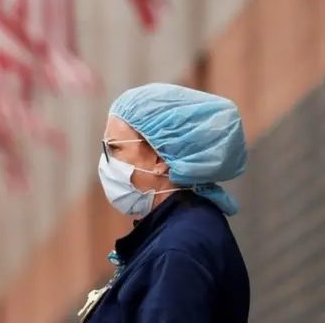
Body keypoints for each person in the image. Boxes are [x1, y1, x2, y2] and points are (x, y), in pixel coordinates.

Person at [80, 83, 250, 323]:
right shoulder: (168, 239)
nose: (106, 162)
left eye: (115, 148)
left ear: (160, 156)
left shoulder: (176, 251)